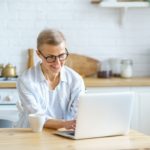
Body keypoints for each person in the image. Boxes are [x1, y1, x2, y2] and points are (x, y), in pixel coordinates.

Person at [16, 28, 85, 130]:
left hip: (64, 134)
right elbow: (37, 117)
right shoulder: (26, 81)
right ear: (39, 54)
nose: (57, 63)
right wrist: (64, 124)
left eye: (61, 55)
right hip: (32, 133)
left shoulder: (76, 80)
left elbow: (79, 113)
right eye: (51, 57)